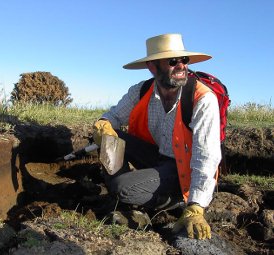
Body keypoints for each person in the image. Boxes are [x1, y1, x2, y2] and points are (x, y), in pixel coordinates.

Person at [93, 33, 221, 240]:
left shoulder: (202, 99)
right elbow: (114, 115)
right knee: (110, 136)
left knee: (122, 188)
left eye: (184, 60)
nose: (181, 66)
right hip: (156, 157)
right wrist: (103, 124)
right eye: (173, 61)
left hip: (182, 170)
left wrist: (196, 206)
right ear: (153, 66)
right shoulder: (142, 90)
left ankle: (172, 202)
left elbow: (206, 156)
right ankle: (132, 198)